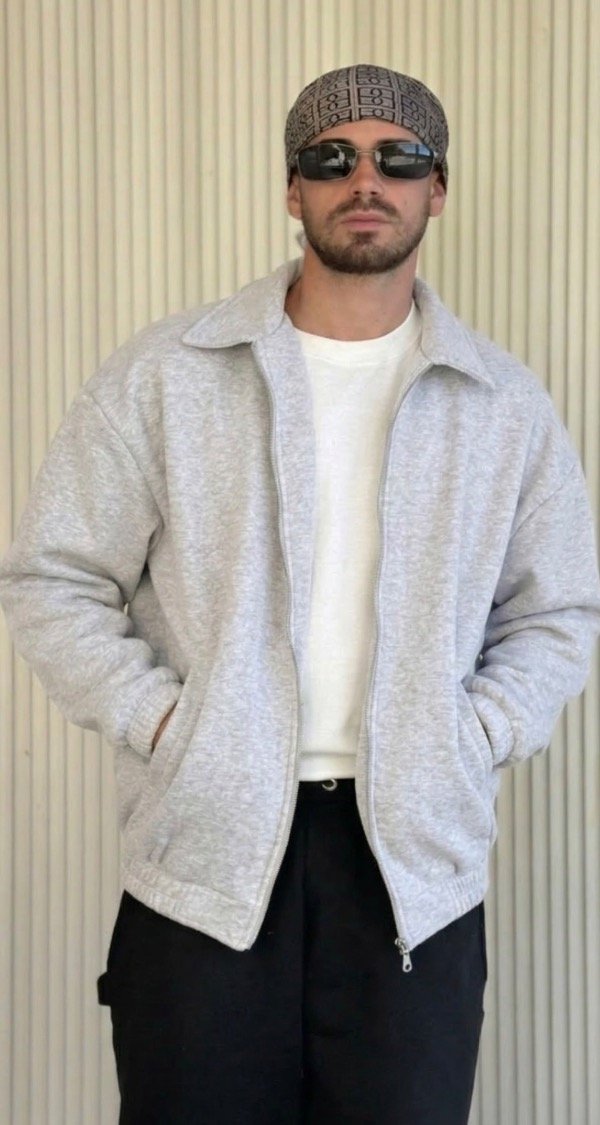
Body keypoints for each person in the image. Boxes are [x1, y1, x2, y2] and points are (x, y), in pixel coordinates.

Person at [1, 63, 599, 1125]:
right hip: (208, 852)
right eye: (331, 158)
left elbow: (558, 614)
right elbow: (55, 577)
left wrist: (475, 734)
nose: (365, 180)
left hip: (412, 868)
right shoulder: (168, 375)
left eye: (398, 158)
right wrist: (170, 724)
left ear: (436, 188)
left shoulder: (503, 404)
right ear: (292, 188)